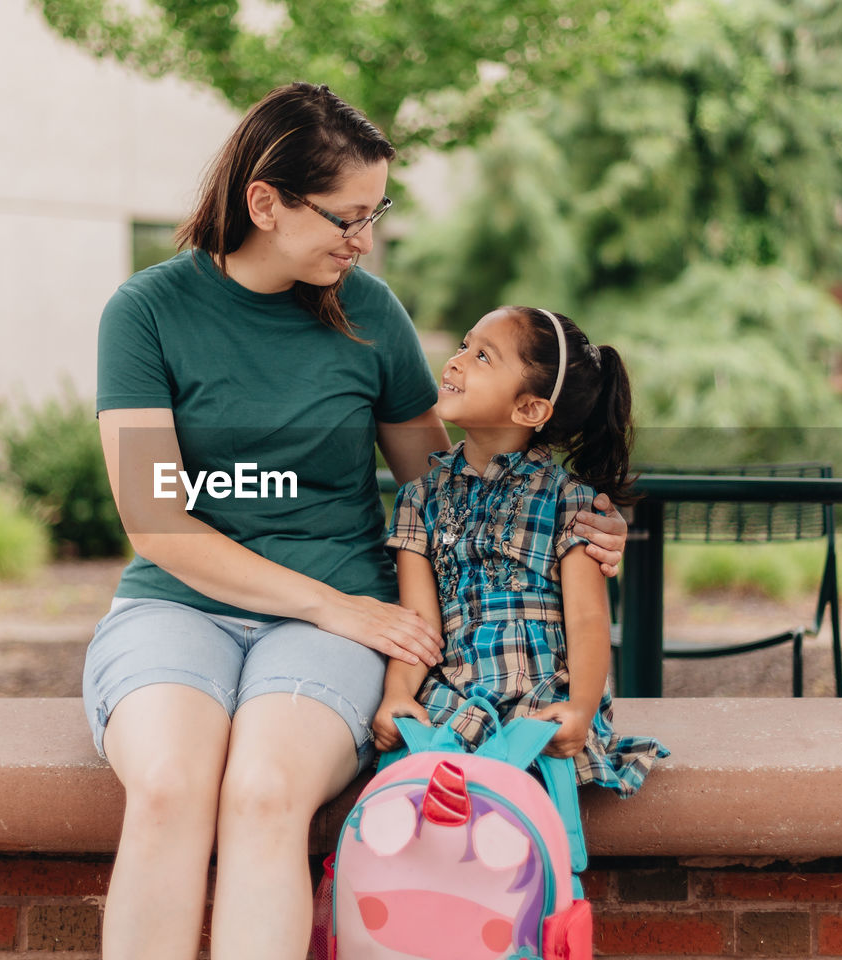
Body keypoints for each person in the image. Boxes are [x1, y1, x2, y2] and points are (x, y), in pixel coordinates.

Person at [84, 84, 630, 960]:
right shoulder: (146, 313)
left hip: (338, 623)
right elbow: (158, 522)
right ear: (264, 202)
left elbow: (453, 489)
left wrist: (577, 523)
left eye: (376, 213)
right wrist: (338, 608)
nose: (364, 239)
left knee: (265, 791)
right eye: (346, 216)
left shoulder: (367, 309)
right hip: (179, 607)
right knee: (169, 787)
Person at [372, 305, 668, 798]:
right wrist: (398, 694)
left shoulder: (569, 502)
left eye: (482, 356)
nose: (455, 361)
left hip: (541, 696)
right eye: (464, 345)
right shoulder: (418, 499)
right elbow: (418, 620)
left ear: (529, 409)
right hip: (453, 695)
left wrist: (580, 707)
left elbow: (589, 621)